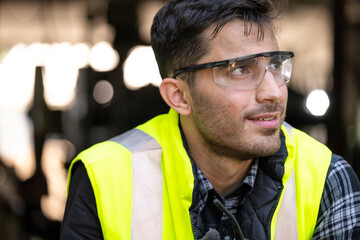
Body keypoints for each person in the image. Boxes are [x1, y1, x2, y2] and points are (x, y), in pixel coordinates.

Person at [60, 0, 360, 239]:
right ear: (179, 96)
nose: (275, 91)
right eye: (240, 69)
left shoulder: (325, 176)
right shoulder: (104, 177)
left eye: (275, 65)